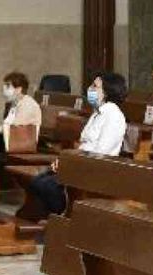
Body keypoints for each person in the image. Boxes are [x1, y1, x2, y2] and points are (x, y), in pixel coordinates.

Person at [23, 72, 129, 217]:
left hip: (97, 169)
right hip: (81, 163)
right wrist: (65, 162)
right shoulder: (98, 113)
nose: (90, 88)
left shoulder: (114, 116)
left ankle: (63, 214)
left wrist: (70, 164)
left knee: (46, 185)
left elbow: (101, 153)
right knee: (38, 181)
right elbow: (84, 146)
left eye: (95, 86)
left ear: (106, 92)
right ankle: (52, 218)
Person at [0, 71, 42, 153]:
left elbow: (14, 127)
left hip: (22, 145)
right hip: (9, 142)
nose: (4, 90)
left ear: (18, 89)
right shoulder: (13, 104)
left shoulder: (28, 104)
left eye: (8, 86)